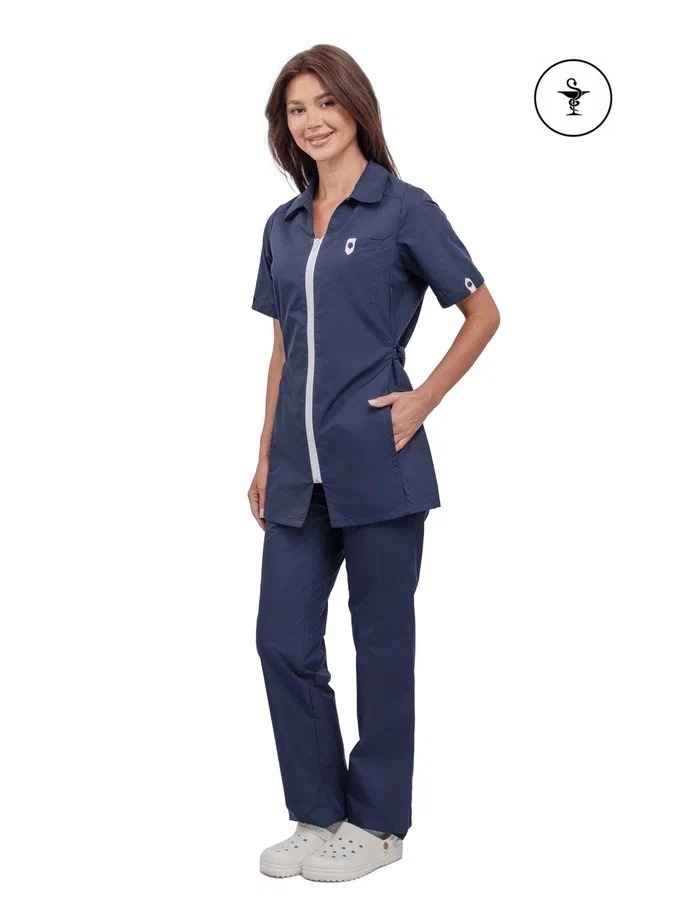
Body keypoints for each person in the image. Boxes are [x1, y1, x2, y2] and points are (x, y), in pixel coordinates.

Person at [248, 44, 500, 883]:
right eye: (296, 109)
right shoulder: (283, 226)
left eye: (325, 102)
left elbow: (482, 311)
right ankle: (318, 812)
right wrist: (263, 454)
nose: (312, 120)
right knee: (281, 639)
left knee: (380, 645)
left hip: (378, 462)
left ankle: (379, 823)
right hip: (298, 473)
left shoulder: (402, 209)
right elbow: (283, 347)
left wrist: (422, 399)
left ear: (356, 106)